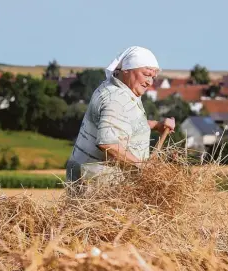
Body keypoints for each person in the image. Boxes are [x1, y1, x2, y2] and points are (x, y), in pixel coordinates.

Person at [66, 46, 176, 183]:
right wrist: (143, 167)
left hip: (98, 184)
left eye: (153, 77)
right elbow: (108, 143)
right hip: (102, 189)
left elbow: (122, 124)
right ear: (126, 70)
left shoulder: (116, 88)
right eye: (146, 74)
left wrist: (156, 125)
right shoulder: (116, 99)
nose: (150, 82)